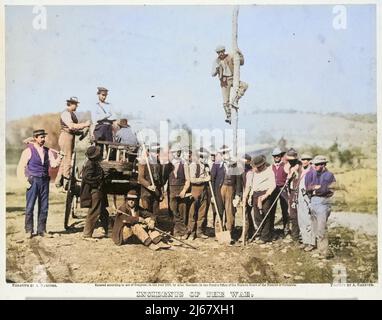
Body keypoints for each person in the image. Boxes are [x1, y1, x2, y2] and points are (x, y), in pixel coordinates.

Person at [17, 129, 62, 238]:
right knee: (30, 206)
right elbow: (20, 167)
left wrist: (60, 157)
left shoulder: (48, 151)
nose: (43, 139)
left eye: (44, 137)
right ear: (35, 138)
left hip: (44, 180)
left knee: (44, 207)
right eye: (41, 137)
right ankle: (29, 230)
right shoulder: (28, 151)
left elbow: (54, 165)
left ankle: (42, 230)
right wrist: (25, 182)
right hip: (33, 180)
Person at [55, 97, 91, 190]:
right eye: (75, 104)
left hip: (69, 137)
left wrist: (82, 132)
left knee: (64, 159)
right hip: (66, 137)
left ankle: (58, 182)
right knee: (68, 159)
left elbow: (73, 129)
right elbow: (71, 126)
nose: (77, 106)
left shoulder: (71, 113)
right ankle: (66, 183)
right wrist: (84, 125)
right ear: (70, 104)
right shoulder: (66, 113)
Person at [305, 155, 336, 259]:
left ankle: (324, 252)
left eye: (317, 164)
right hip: (313, 201)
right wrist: (315, 188)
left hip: (323, 202)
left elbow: (326, 190)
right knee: (314, 227)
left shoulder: (329, 175)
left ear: (323, 165)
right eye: (314, 164)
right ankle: (319, 250)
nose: (315, 166)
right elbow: (307, 187)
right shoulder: (310, 173)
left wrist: (315, 188)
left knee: (321, 228)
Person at [211, 145, 242, 239]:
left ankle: (229, 233)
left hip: (231, 190)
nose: (226, 154)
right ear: (221, 154)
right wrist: (213, 195)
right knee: (219, 211)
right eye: (223, 153)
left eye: (227, 152)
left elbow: (238, 181)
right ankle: (219, 233)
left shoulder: (234, 164)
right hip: (220, 190)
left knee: (230, 213)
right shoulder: (216, 165)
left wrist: (237, 194)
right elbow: (212, 180)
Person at [211, 45, 248, 124]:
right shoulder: (216, 61)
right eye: (218, 53)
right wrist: (217, 69)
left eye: (222, 52)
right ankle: (228, 115)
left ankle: (235, 99)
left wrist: (240, 53)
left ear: (224, 51)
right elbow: (212, 74)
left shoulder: (230, 56)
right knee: (225, 100)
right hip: (224, 81)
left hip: (233, 78)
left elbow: (241, 62)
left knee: (244, 85)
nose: (220, 54)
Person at [245, 155, 276, 243]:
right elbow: (251, 185)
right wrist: (249, 196)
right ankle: (260, 233)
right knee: (257, 216)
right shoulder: (254, 172)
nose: (257, 168)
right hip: (255, 194)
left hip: (265, 194)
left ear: (263, 165)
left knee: (265, 215)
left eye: (258, 167)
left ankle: (265, 237)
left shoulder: (269, 172)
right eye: (256, 167)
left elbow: (273, 185)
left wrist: (265, 196)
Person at [80, 146, 109, 238]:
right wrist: (99, 179)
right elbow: (87, 177)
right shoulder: (91, 165)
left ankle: (111, 231)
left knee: (103, 212)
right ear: (95, 156)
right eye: (98, 154)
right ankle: (87, 234)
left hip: (98, 190)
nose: (100, 154)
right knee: (94, 212)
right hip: (94, 191)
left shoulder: (94, 163)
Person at [183, 147, 211, 240]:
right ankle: (190, 232)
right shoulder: (193, 165)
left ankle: (199, 232)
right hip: (195, 190)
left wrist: (207, 172)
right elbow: (192, 179)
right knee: (193, 212)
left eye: (205, 157)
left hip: (204, 190)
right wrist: (204, 179)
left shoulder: (205, 166)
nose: (203, 158)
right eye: (201, 156)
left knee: (202, 213)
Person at [163, 144, 190, 228]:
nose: (177, 154)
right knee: (173, 210)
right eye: (175, 152)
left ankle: (183, 230)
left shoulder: (184, 164)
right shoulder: (168, 165)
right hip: (171, 190)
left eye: (179, 152)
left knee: (182, 210)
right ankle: (175, 230)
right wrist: (163, 189)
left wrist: (184, 190)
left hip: (181, 189)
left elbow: (188, 180)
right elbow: (164, 179)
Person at [138, 142, 164, 215]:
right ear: (149, 152)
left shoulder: (159, 164)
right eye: (155, 152)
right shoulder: (143, 162)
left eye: (158, 151)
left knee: (156, 213)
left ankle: (156, 225)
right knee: (147, 213)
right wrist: (149, 186)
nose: (157, 154)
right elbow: (140, 178)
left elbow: (160, 179)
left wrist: (161, 192)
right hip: (146, 192)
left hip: (156, 192)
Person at [91, 87, 118, 154]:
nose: (104, 97)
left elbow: (114, 117)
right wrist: (107, 115)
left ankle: (110, 163)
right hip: (99, 128)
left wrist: (103, 117)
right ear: (98, 94)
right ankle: (97, 162)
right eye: (102, 95)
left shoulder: (110, 105)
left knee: (110, 147)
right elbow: (95, 118)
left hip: (108, 128)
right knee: (98, 148)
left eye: (105, 95)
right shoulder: (95, 106)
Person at [297, 153, 315, 251]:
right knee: (301, 220)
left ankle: (311, 243)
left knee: (309, 220)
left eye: (306, 160)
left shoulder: (312, 171)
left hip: (308, 196)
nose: (304, 161)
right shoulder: (301, 170)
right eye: (303, 160)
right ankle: (305, 241)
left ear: (309, 161)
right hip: (300, 196)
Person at [271, 147, 289, 236]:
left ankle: (286, 228)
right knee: (271, 209)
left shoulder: (285, 165)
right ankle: (271, 228)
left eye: (278, 156)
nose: (277, 157)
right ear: (273, 157)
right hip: (273, 190)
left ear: (281, 156)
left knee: (285, 209)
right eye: (275, 156)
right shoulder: (271, 167)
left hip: (283, 189)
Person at [284, 148, 301, 241]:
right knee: (292, 214)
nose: (290, 162)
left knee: (299, 214)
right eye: (288, 160)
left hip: (298, 192)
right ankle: (295, 236)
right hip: (291, 191)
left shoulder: (299, 166)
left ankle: (299, 235)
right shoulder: (289, 166)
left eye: (292, 160)